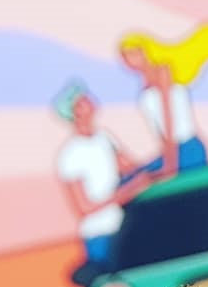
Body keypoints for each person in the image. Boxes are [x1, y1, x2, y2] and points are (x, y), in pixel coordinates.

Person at [53, 81, 145, 268]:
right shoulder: (70, 155)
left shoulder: (104, 137)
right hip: (100, 234)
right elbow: (84, 207)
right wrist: (124, 194)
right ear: (74, 112)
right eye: (82, 101)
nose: (89, 101)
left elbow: (130, 167)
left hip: (122, 226)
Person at [119, 25, 208, 178]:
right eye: (125, 57)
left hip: (187, 148)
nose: (128, 61)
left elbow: (168, 115)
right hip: (172, 150)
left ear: (145, 52)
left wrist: (171, 161)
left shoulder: (163, 71)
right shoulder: (144, 84)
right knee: (132, 178)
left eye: (132, 54)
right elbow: (159, 128)